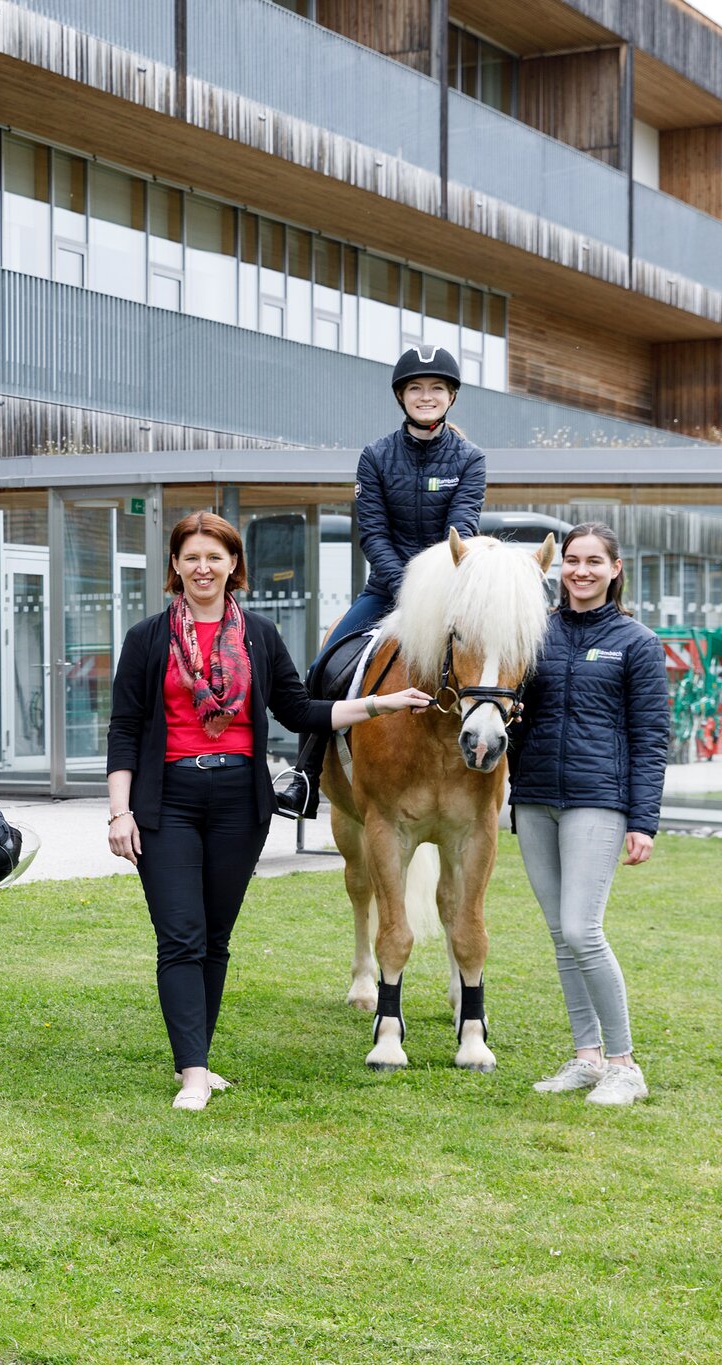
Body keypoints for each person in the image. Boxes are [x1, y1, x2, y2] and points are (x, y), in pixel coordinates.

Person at [108, 510, 429, 1111]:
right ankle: (196, 1072)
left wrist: (378, 704)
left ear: (234, 565)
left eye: (215, 556)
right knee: (180, 936)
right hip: (165, 801)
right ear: (175, 565)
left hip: (240, 802)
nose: (203, 567)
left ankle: (196, 1058)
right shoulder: (147, 638)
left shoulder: (258, 634)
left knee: (216, 938)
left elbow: (300, 710)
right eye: (191, 556)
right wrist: (119, 812)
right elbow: (125, 729)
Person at [276, 345, 485, 818]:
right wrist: (405, 588)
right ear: (401, 396)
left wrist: (431, 591)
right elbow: (371, 532)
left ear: (451, 396)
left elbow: (462, 530)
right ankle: (304, 774)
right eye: (416, 388)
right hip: (385, 591)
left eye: (435, 388)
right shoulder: (375, 456)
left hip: (448, 593)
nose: (426, 396)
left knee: (503, 666)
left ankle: (515, 768)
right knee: (324, 665)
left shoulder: (470, 459)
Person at [510, 522, 669, 1107]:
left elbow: (652, 736)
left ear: (615, 569)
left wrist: (642, 820)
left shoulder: (637, 642)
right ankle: (586, 1057)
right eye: (572, 560)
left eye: (593, 562)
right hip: (534, 799)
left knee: (583, 929)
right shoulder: (534, 634)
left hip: (598, 800)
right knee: (560, 935)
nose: (580, 571)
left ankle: (625, 1065)